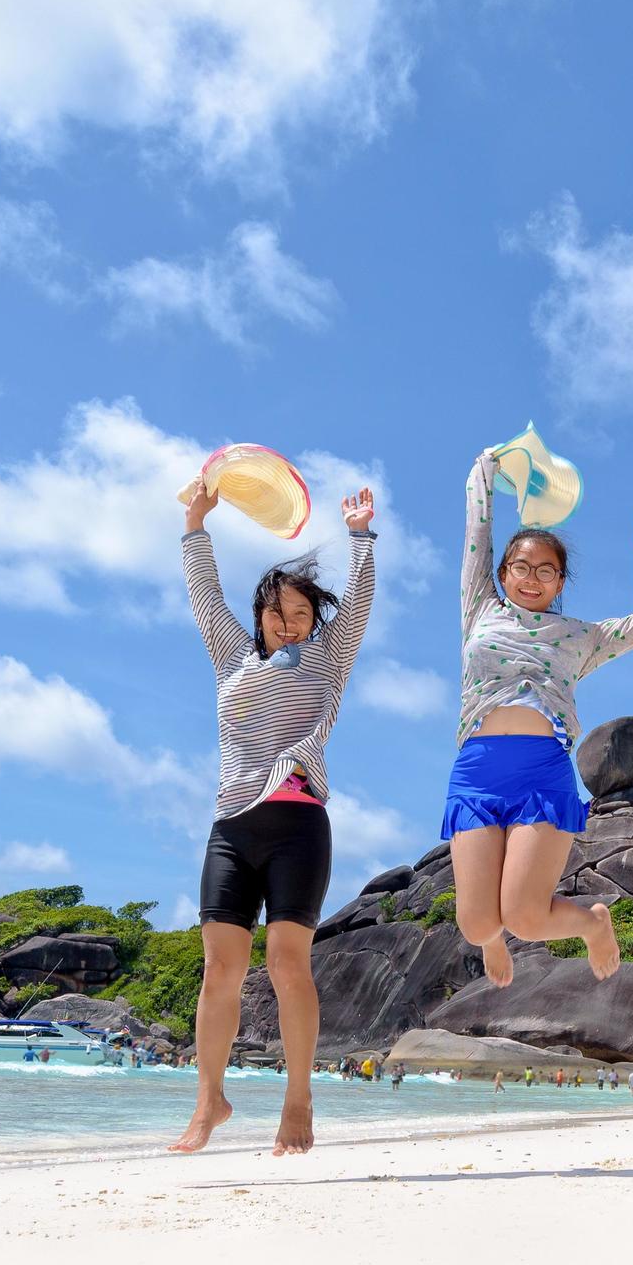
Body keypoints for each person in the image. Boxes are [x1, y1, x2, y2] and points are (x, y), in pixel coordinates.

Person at [170, 481, 378, 1155]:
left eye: (300, 613)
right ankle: (210, 1100)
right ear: (258, 617)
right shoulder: (231, 657)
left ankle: (298, 1100)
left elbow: (362, 605)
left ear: (314, 620)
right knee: (219, 969)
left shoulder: (328, 660)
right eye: (277, 613)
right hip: (232, 825)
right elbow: (205, 595)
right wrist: (195, 522)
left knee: (289, 965)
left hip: (297, 825)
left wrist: (361, 538)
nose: (289, 623)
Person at [445, 440, 633, 989]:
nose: (531, 578)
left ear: (561, 581)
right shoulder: (481, 607)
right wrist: (486, 469)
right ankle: (494, 940)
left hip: (542, 772)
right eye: (520, 567)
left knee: (526, 915)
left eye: (546, 571)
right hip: (476, 771)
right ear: (502, 572)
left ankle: (595, 923)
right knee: (479, 923)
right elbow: (477, 535)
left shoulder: (580, 637)